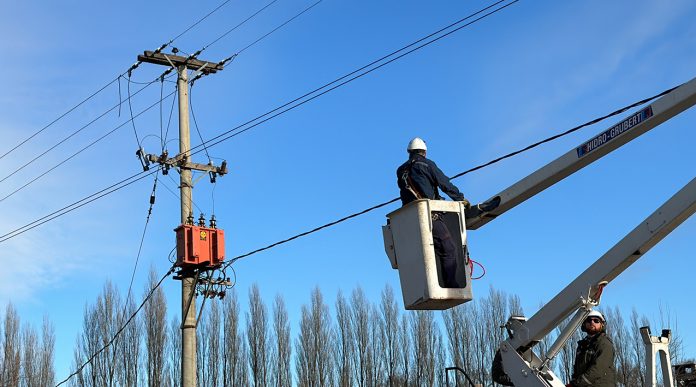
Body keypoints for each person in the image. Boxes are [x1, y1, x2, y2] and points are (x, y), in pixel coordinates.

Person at [396, 137, 470, 287]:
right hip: (429, 215)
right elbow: (444, 183)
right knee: (448, 249)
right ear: (424, 152)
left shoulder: (400, 170)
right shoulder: (427, 164)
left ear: (409, 152)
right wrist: (460, 198)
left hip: (409, 217)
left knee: (426, 250)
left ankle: (427, 284)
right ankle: (451, 286)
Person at [568, 310, 617, 387]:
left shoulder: (604, 343)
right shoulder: (582, 345)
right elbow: (577, 370)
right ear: (584, 324)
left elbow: (597, 370)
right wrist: (574, 382)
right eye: (589, 320)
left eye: (596, 321)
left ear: (602, 324)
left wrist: (576, 384)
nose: (592, 322)